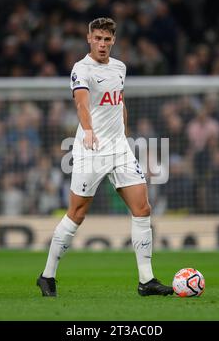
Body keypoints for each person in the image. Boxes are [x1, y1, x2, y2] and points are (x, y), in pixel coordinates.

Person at [37, 17, 173, 297]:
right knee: (76, 214)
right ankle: (47, 275)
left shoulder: (120, 68)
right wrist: (88, 130)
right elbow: (82, 103)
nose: (102, 44)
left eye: (107, 39)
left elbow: (119, 102)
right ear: (89, 38)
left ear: (113, 40)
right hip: (91, 149)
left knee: (143, 209)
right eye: (97, 38)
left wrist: (126, 134)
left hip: (119, 148)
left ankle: (146, 281)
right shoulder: (81, 69)